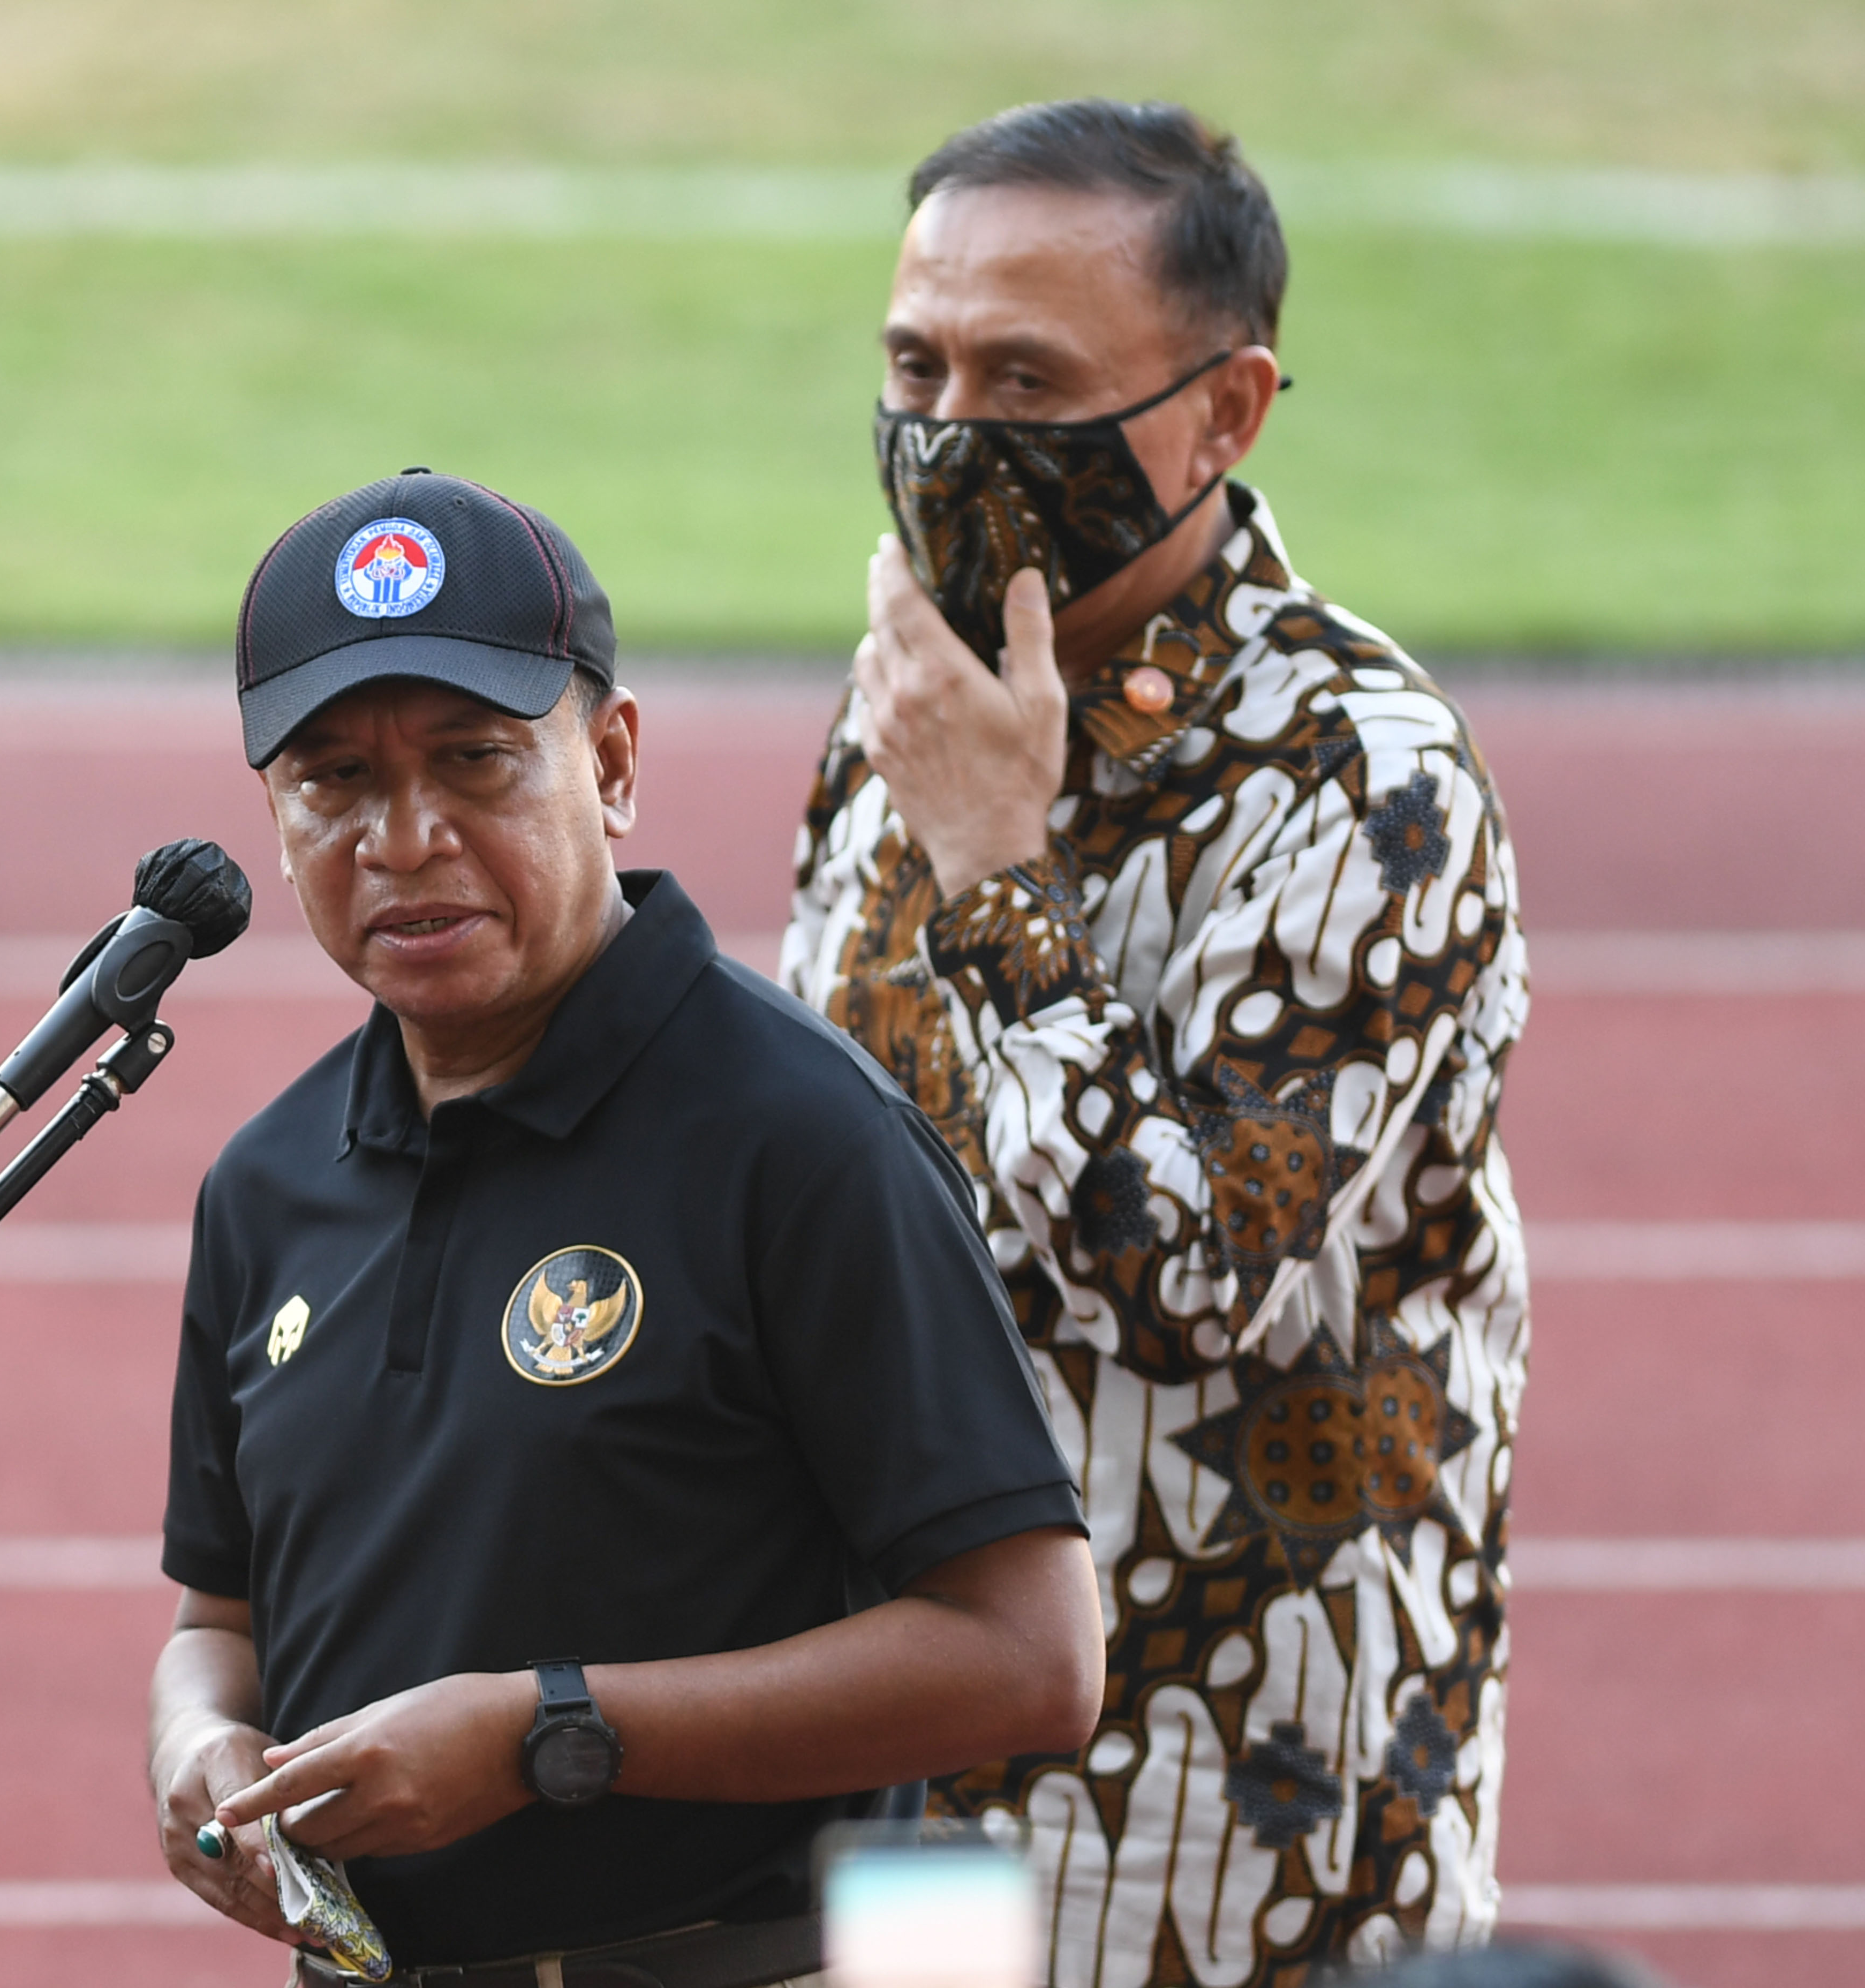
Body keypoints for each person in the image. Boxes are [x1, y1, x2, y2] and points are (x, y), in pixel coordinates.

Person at [146, 466, 1103, 1988]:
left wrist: (546, 1734)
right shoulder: (267, 1182)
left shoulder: (802, 1139)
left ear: (611, 763)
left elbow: (1030, 1659)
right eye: (333, 781)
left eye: (475, 761)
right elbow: (222, 1617)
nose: (405, 837)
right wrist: (195, 1741)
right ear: (272, 814)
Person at [781, 101, 1532, 1981]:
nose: (953, 435)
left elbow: (1188, 1278)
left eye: (1028, 380)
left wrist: (995, 876)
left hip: (1244, 1801)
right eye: (918, 368)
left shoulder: (1365, 783)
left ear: (1227, 413)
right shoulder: (913, 703)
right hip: (916, 1755)